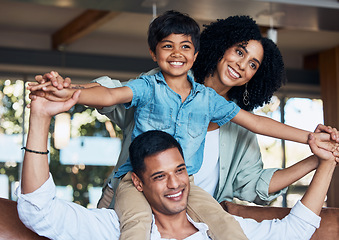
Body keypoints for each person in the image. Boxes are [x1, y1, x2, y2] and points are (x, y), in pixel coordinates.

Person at [30, 12, 339, 240]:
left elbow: (257, 139)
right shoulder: (156, 85)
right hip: (130, 193)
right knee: (135, 228)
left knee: (226, 228)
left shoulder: (221, 112)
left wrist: (313, 143)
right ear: (218, 48)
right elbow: (110, 93)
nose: (242, 65)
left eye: (253, 64)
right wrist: (70, 93)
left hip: (190, 210)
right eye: (239, 52)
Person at [17, 94, 339, 240]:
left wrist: (325, 162)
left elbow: (296, 229)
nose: (175, 184)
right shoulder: (118, 229)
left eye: (180, 171)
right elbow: (37, 211)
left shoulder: (222, 230)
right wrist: (41, 118)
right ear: (138, 183)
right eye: (159, 176)